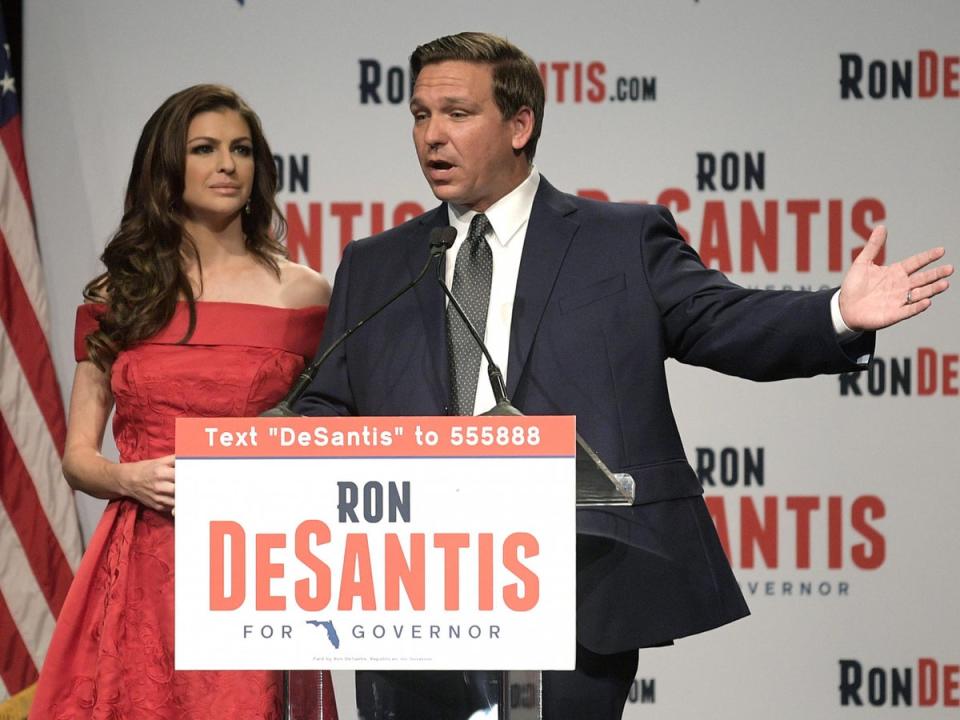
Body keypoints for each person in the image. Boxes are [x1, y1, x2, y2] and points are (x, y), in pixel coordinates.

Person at [294, 32, 952, 720]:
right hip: (409, 592)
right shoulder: (378, 264)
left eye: (457, 113)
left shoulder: (619, 241)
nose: (432, 135)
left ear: (520, 125)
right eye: (420, 115)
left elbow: (723, 322)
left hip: (572, 583)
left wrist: (839, 313)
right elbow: (328, 405)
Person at [31, 84, 337, 719]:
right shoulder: (119, 292)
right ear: (168, 166)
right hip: (143, 559)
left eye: (241, 149)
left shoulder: (305, 294)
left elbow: (328, 434)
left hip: (256, 561)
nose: (227, 164)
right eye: (205, 148)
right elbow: (77, 460)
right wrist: (126, 477)